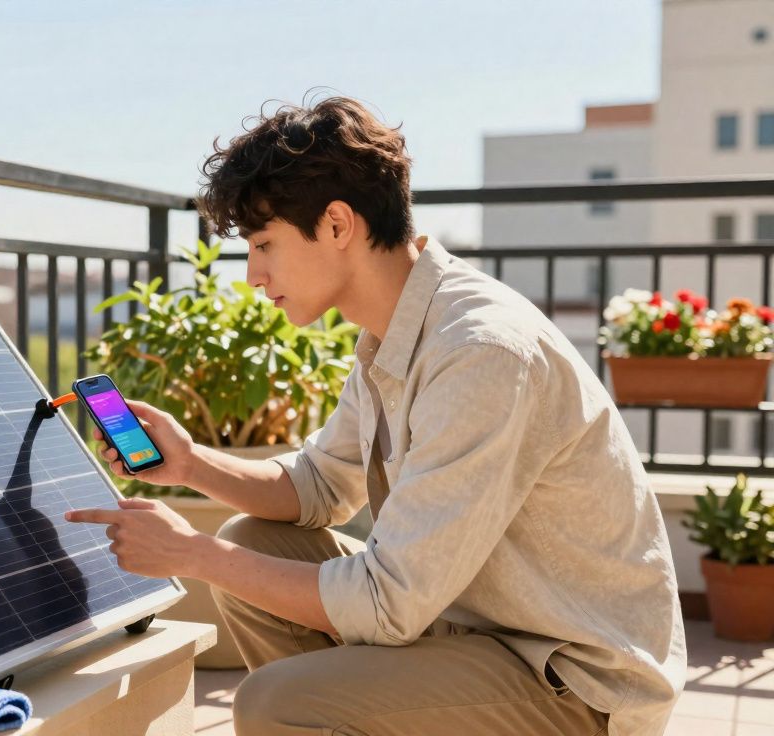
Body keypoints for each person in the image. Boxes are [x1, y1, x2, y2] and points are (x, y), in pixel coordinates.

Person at [65, 96, 685, 736]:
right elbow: (319, 488)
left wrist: (190, 555)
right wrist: (193, 464)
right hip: (478, 627)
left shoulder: (479, 353)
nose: (252, 275)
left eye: (264, 243)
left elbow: (389, 603)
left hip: (575, 679)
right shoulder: (394, 333)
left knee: (275, 702)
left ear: (336, 224)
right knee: (252, 542)